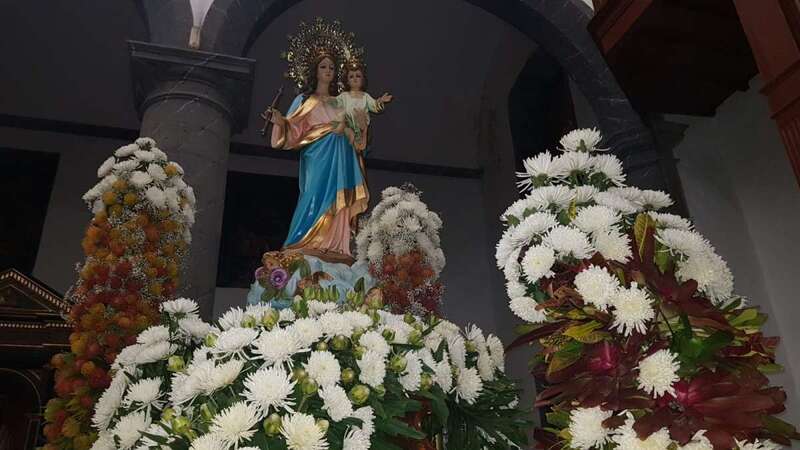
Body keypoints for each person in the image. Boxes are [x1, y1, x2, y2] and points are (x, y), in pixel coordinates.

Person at [268, 53, 368, 261]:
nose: (328, 71)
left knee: (339, 198)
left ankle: (336, 246)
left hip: (342, 156)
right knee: (312, 194)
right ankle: (301, 241)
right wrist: (280, 122)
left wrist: (361, 126)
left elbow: (357, 140)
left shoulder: (341, 102)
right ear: (315, 71)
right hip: (318, 156)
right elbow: (292, 130)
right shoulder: (304, 100)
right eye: (323, 67)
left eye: (331, 67)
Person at [336, 60, 392, 152]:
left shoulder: (365, 96)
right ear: (347, 81)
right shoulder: (344, 96)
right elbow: (333, 105)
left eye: (358, 76)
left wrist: (380, 101)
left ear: (363, 80)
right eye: (351, 77)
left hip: (362, 132)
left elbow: (375, 106)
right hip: (347, 131)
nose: (355, 79)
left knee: (359, 153)